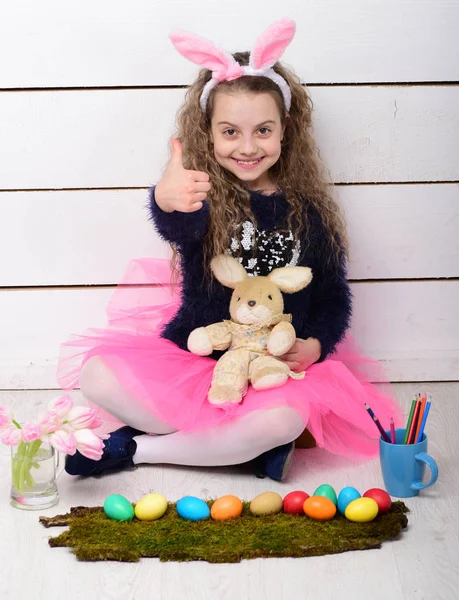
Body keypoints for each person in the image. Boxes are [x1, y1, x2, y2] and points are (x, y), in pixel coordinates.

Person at [61, 19, 402, 481]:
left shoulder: (310, 212)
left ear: (286, 129)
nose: (247, 147)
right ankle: (237, 449)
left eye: (263, 130)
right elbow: (180, 227)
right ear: (208, 133)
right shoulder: (202, 193)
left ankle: (138, 449)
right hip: (198, 358)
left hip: (272, 366)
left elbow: (332, 295)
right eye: (230, 132)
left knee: (286, 419)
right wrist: (166, 198)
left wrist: (317, 345)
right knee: (96, 374)